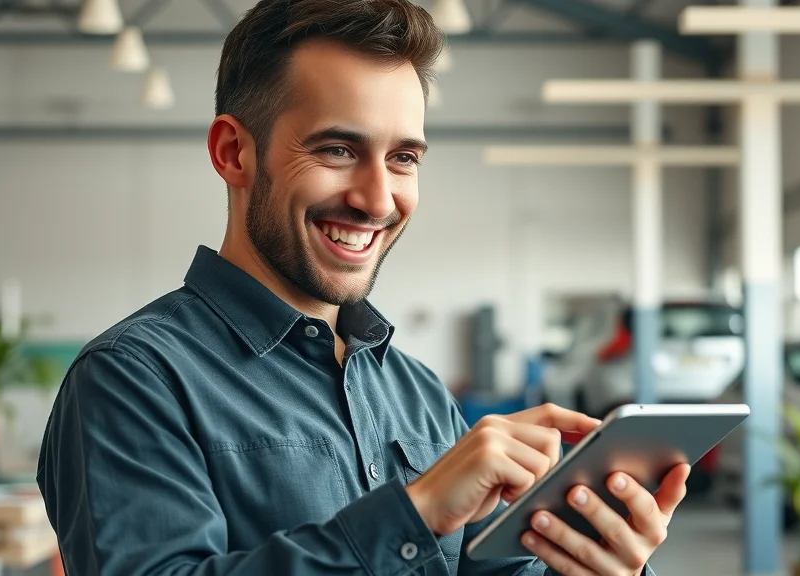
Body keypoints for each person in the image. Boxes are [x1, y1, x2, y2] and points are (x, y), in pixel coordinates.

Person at [36, 1, 690, 574]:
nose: (378, 199)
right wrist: (415, 512)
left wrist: (589, 561)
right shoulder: (133, 380)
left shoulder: (416, 392)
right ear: (235, 153)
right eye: (337, 150)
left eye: (403, 158)